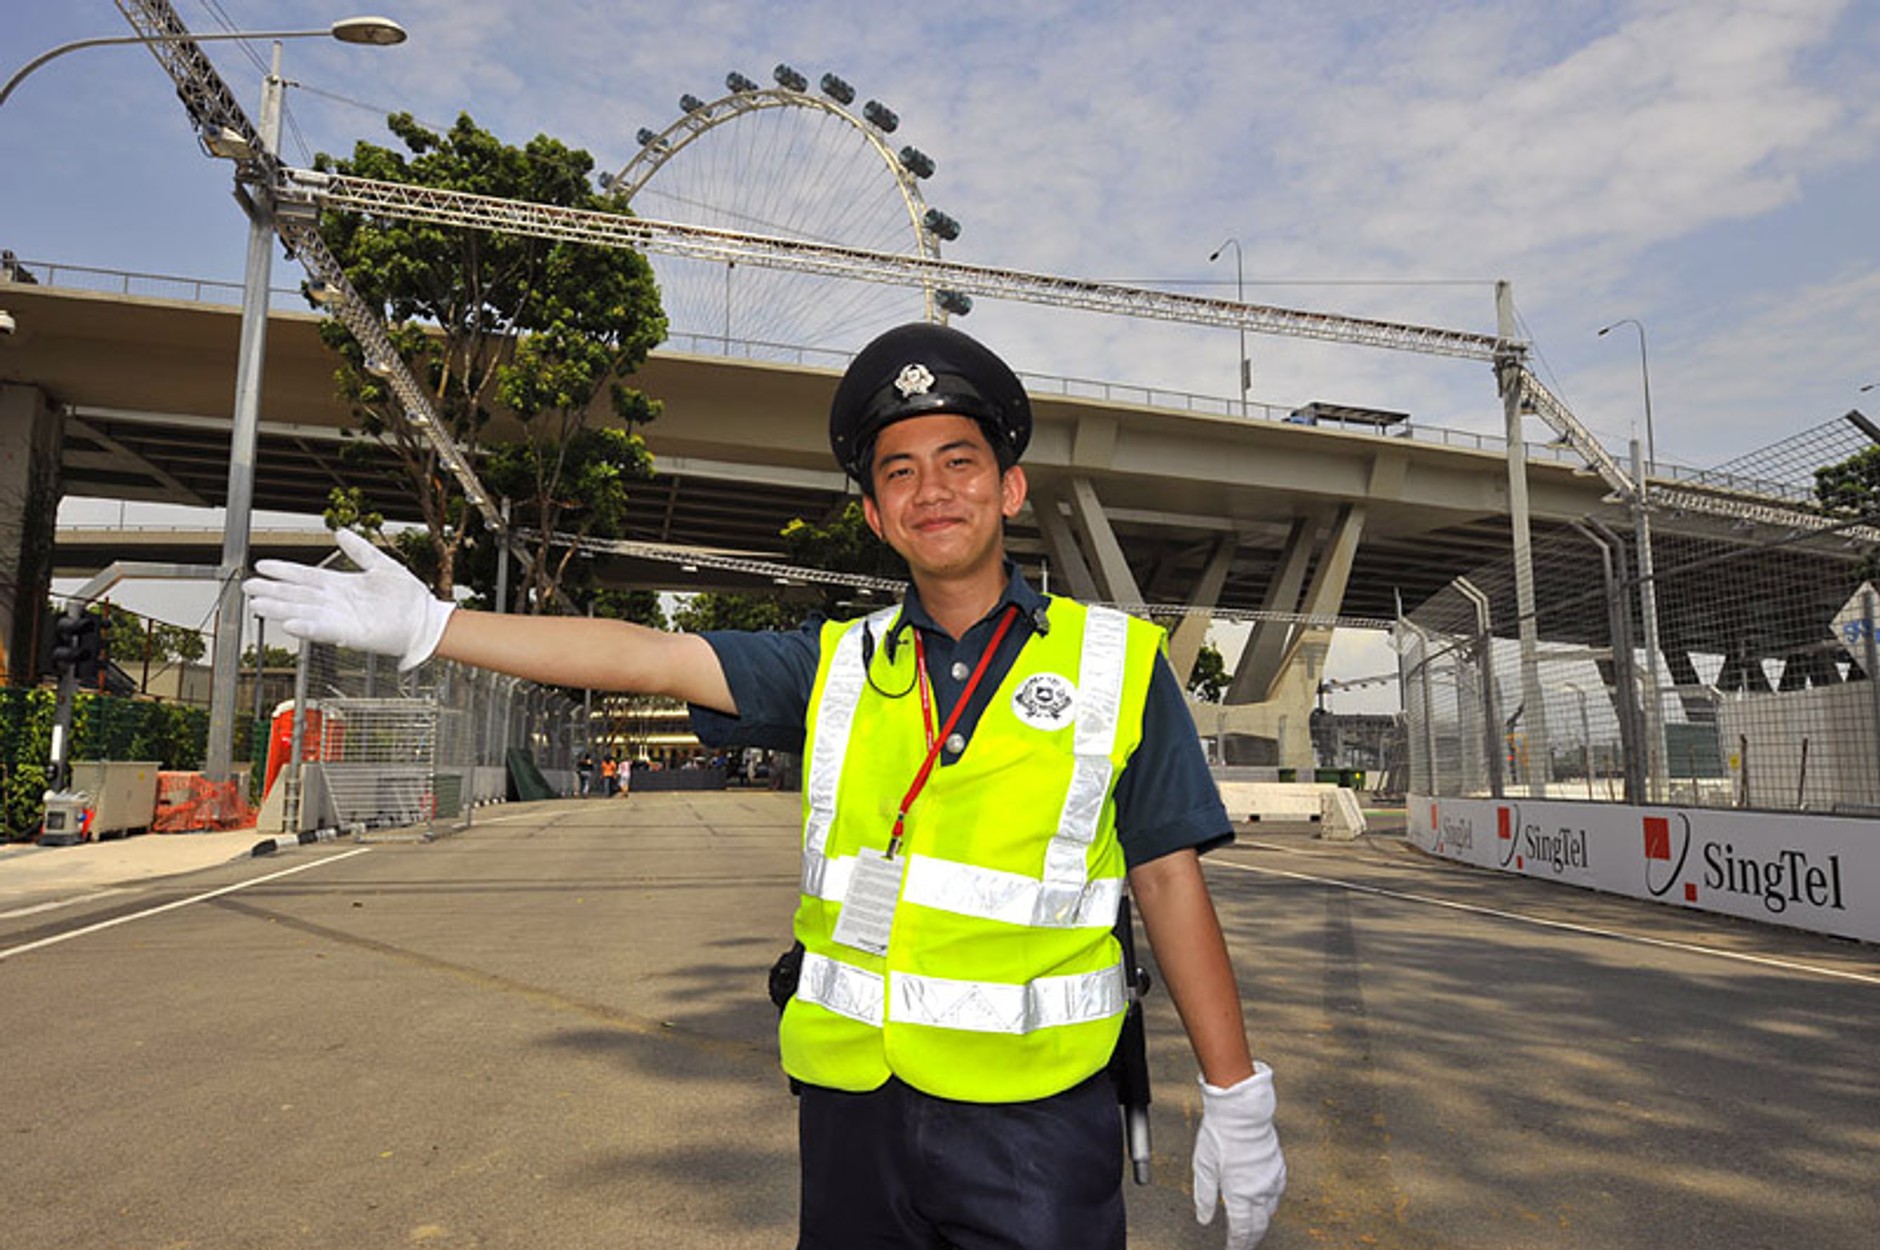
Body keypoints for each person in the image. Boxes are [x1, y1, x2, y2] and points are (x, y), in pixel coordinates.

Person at [243, 321, 1286, 1249]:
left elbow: (1166, 877)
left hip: (1038, 1115)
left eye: (959, 461)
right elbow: (650, 656)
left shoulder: (1115, 663)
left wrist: (1234, 1090)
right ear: (875, 514)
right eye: (899, 472)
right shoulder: (836, 663)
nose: (931, 490)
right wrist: (436, 626)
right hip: (851, 1107)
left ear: (1009, 488)